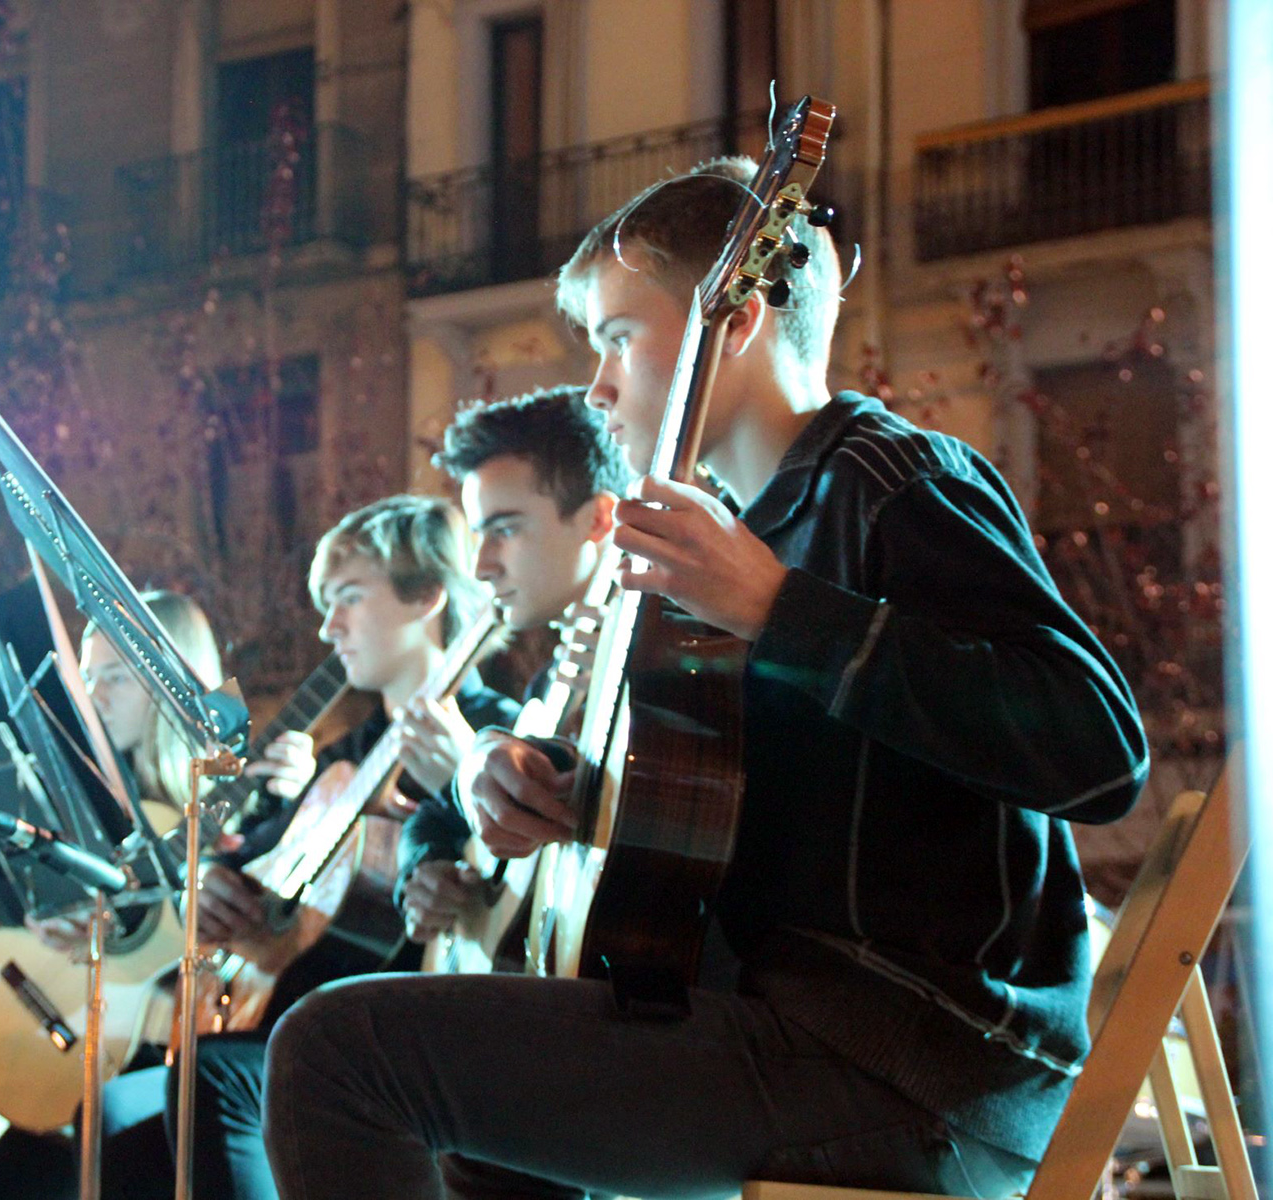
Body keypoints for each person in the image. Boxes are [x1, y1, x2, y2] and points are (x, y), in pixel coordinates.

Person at [261, 157, 1149, 1198]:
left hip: (911, 1056)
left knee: (335, 1052)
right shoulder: (737, 537)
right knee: (476, 1130)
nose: (597, 389)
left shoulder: (893, 480)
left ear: (735, 321)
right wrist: (543, 784)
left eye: (618, 340)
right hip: (792, 1024)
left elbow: (1100, 752)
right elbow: (719, 799)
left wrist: (780, 608)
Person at [180, 494, 519, 1199]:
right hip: (299, 1028)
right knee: (129, 1113)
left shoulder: (498, 736)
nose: (329, 628)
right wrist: (212, 881)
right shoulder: (350, 754)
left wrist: (459, 785)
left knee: (205, 1078)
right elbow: (252, 854)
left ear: (427, 595)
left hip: (426, 1054)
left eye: (349, 599)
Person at [0, 590, 298, 1200]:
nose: (93, 695)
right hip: (99, 1041)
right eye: (87, 678)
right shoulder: (91, 806)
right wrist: (60, 920)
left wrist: (287, 800)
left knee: (96, 1136)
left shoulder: (242, 796)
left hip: (184, 1059)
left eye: (115, 677)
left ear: (171, 680)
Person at [396, 385, 629, 951]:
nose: (481, 566)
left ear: (599, 518)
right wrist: (421, 871)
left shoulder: (650, 676)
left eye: (505, 529)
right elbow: (431, 818)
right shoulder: (548, 686)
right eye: (479, 535)